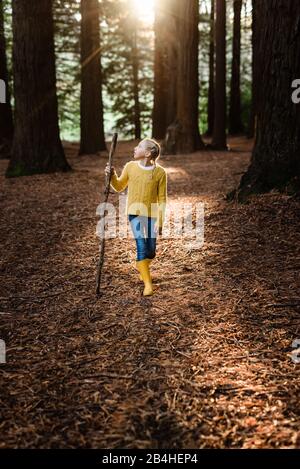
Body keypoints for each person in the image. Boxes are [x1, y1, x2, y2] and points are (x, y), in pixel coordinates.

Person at [104, 138, 167, 296]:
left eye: (138, 147)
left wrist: (160, 220)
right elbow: (119, 186)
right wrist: (112, 175)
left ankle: (141, 266)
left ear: (147, 153)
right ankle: (148, 284)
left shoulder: (160, 172)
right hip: (134, 213)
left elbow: (162, 199)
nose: (135, 148)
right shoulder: (130, 167)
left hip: (152, 214)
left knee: (151, 252)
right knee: (141, 246)